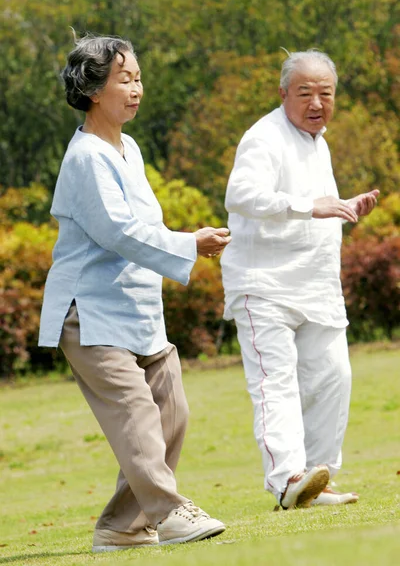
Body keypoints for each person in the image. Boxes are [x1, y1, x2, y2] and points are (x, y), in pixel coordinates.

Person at [39, 33, 230, 551]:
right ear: (94, 89)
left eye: (139, 77)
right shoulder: (86, 158)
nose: (137, 88)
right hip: (90, 312)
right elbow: (118, 231)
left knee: (171, 415)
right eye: (125, 79)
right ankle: (169, 514)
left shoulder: (130, 149)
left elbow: (142, 229)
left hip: (137, 307)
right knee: (137, 416)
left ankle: (121, 528)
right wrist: (190, 243)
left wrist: (185, 243)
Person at [220, 49, 379, 510]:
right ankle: (287, 478)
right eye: (305, 93)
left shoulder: (319, 142)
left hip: (316, 285)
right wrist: (313, 205)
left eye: (325, 93)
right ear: (283, 93)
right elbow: (242, 194)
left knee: (334, 377)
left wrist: (345, 205)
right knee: (277, 383)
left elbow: (313, 204)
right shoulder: (263, 137)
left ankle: (319, 478)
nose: (316, 103)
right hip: (263, 284)